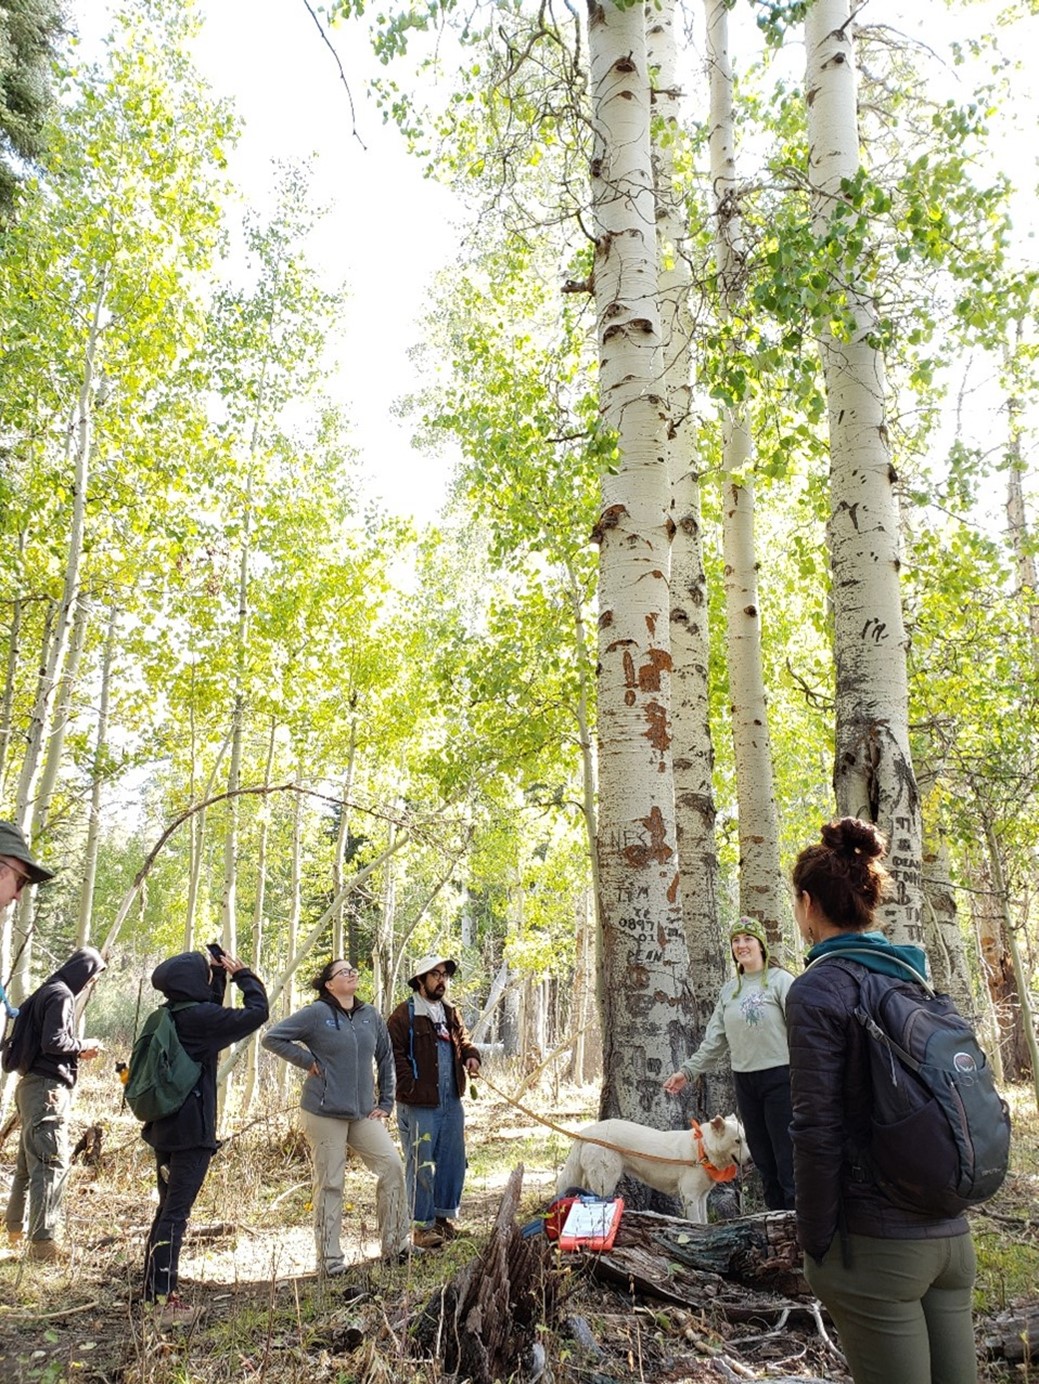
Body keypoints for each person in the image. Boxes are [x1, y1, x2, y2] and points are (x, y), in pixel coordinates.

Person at [786, 816, 977, 1384]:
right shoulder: (911, 976)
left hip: (876, 1245)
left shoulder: (818, 987)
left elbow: (815, 1129)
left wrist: (817, 1244)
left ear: (805, 903)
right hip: (950, 1233)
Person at [141, 950, 268, 1327]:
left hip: (164, 1128)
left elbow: (208, 1021)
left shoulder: (168, 1014)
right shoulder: (199, 1019)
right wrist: (244, 975)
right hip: (191, 1135)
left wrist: (216, 980)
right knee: (176, 1215)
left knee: (167, 1211)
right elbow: (257, 1013)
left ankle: (154, 1292)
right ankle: (164, 1302)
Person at [262, 959, 410, 1273]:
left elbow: (385, 1057)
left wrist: (385, 1101)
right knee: (331, 1182)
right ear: (329, 984)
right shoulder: (317, 1014)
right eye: (344, 971)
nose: (352, 974)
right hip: (324, 1111)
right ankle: (329, 1260)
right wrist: (307, 1061)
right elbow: (272, 1037)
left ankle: (396, 1246)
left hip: (361, 1112)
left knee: (392, 1165)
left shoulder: (369, 1015)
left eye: (353, 970)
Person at [663, 917, 795, 1210]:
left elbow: (802, 1030)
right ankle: (775, 1224)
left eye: (748, 939)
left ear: (761, 944)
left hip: (781, 1078)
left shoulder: (781, 982)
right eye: (736, 941)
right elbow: (715, 1040)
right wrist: (688, 1071)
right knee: (762, 1156)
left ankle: (798, 1227)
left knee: (787, 1156)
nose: (741, 945)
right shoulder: (729, 991)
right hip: (746, 1081)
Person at [2, 920, 105, 1260]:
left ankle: (14, 1231)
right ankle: (43, 1244)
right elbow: (55, 1041)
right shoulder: (61, 995)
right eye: (92, 977)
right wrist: (83, 1046)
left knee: (27, 1163)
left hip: (30, 1086)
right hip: (48, 1088)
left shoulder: (43, 992)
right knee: (50, 1162)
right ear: (83, 973)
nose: (91, 983)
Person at [387, 954, 481, 1249]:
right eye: (435, 975)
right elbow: (394, 1054)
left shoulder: (451, 1012)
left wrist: (471, 1056)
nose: (442, 980)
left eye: (444, 975)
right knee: (421, 1164)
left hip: (451, 1099)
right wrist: (410, 1087)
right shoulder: (404, 1015)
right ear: (420, 980)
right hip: (418, 1103)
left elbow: (463, 1039)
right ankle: (422, 1226)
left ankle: (442, 1220)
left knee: (453, 1161)